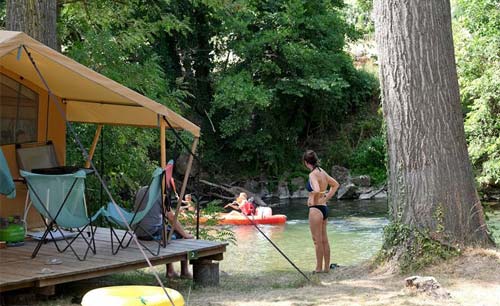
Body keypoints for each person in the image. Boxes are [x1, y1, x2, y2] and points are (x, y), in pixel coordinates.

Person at [134, 186, 193, 278]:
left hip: (139, 232)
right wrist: (185, 234)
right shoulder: (161, 195)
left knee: (166, 230)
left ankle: (171, 270)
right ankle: (183, 271)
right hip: (151, 233)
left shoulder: (141, 190)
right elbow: (171, 217)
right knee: (179, 234)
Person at [303, 150, 339, 273]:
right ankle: (326, 268)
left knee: (317, 241)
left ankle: (318, 268)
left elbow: (317, 189)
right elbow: (335, 185)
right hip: (324, 208)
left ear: (306, 163)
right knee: (324, 240)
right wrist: (326, 198)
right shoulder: (322, 171)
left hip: (315, 210)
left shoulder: (312, 174)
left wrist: (312, 200)